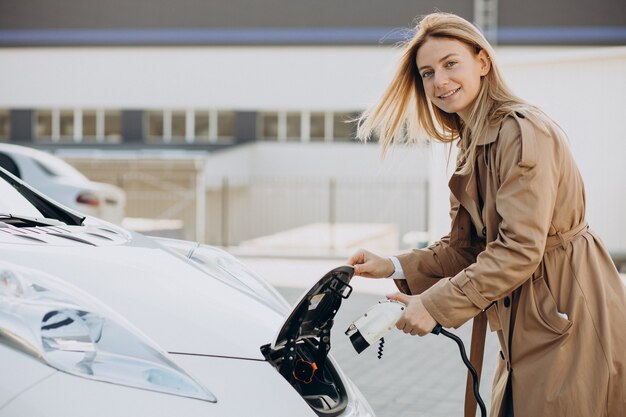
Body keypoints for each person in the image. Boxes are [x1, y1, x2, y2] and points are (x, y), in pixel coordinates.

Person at [347, 12, 626, 417]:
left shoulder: (521, 131)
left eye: (450, 64)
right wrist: (391, 265)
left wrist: (433, 306)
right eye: (427, 73)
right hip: (528, 318)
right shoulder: (475, 140)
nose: (439, 81)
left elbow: (517, 249)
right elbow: (468, 247)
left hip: (570, 309)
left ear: (482, 62)